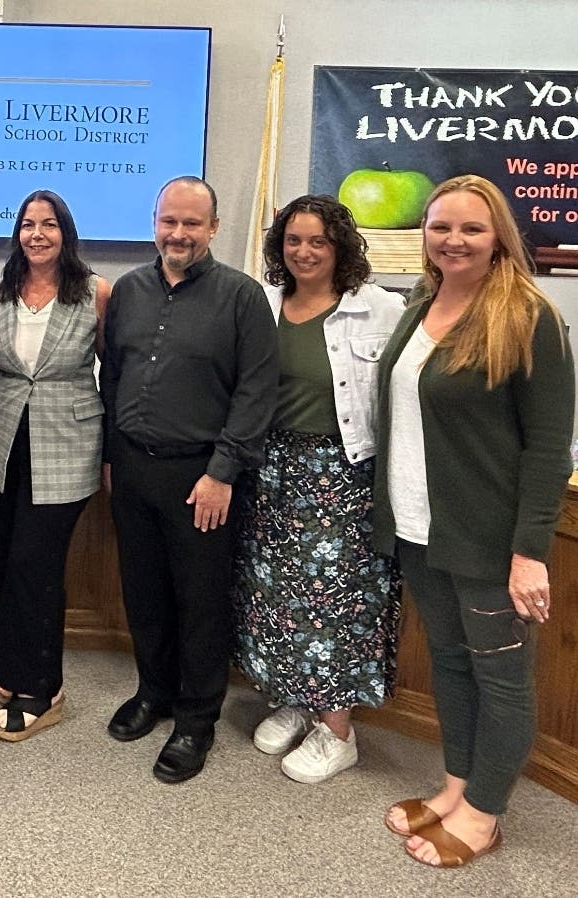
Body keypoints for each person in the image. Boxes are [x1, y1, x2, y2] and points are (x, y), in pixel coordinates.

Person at [373, 175, 574, 867]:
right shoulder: (419, 303)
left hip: (486, 539)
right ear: (422, 235)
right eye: (440, 227)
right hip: (417, 528)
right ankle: (456, 786)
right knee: (451, 667)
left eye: (470, 228)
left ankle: (484, 814)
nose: (452, 240)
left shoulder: (527, 316)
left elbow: (549, 445)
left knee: (501, 679)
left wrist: (527, 553)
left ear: (498, 239)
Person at [101, 176, 279, 783]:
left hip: (201, 475)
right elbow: (113, 375)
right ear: (155, 221)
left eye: (191, 224)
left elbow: (256, 393)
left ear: (213, 228)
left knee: (200, 601)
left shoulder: (242, 297)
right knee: (143, 591)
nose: (178, 234)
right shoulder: (128, 290)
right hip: (131, 466)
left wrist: (222, 472)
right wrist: (108, 456)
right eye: (169, 221)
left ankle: (196, 718)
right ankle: (154, 693)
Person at [232, 195, 404, 784]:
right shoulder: (265, 305)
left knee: (335, 604)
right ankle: (297, 699)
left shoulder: (379, 308)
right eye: (293, 241)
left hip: (341, 476)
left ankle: (338, 731)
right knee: (275, 596)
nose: (304, 252)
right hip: (273, 468)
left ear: (340, 247)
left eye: (318, 242)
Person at [0, 190, 110, 740]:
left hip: (69, 442)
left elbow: (120, 373)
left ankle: (41, 687)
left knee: (37, 564)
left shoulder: (96, 292)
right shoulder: (0, 293)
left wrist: (112, 454)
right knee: (9, 560)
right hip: (5, 441)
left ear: (66, 232)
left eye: (49, 224)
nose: (38, 234)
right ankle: (12, 668)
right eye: (28, 225)